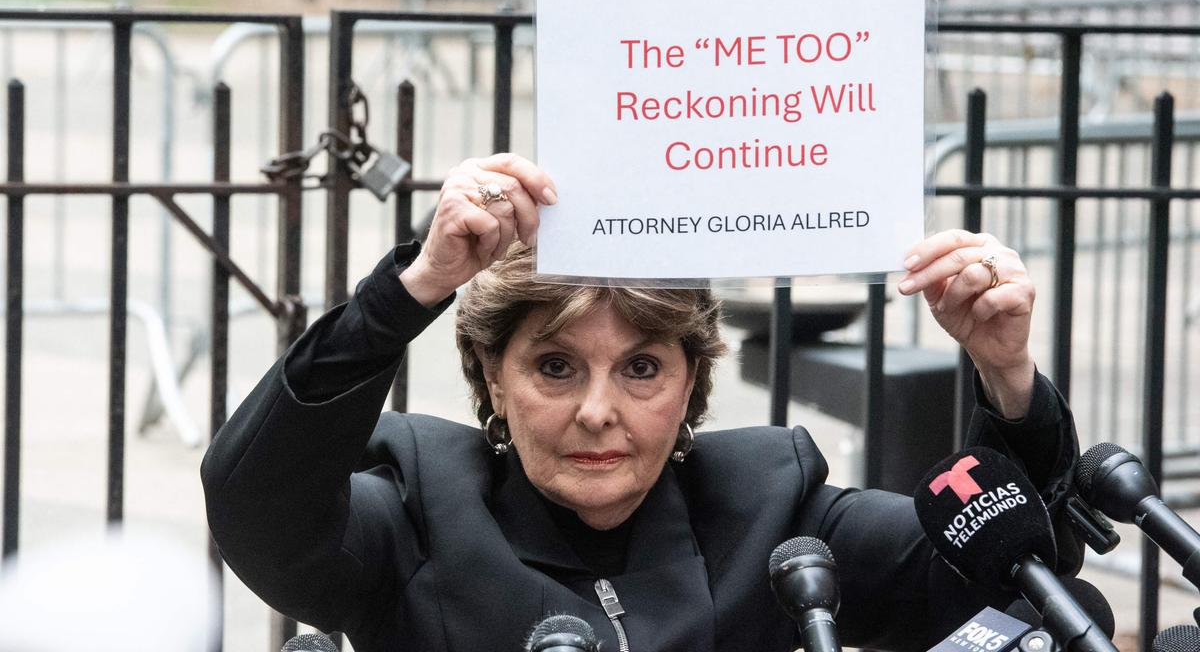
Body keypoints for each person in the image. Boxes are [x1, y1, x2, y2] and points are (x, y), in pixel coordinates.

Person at [201, 153, 1081, 652]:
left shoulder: (774, 514)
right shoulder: (417, 514)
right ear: (490, 380)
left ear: (693, 385)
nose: (597, 411)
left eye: (642, 370)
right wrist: (413, 289)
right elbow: (257, 501)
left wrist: (1005, 376)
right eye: (554, 367)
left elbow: (1007, 579)